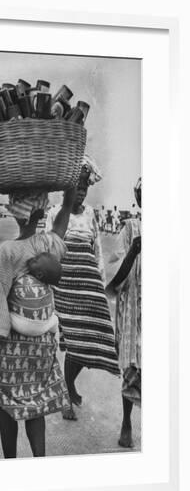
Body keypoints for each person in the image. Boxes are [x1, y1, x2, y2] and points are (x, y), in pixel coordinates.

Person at [0, 187, 77, 459]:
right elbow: (62, 222)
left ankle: (11, 463)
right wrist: (70, 194)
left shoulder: (9, 250)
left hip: (11, 346)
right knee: (37, 405)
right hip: (42, 346)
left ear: (15, 213)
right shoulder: (47, 244)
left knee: (8, 407)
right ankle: (38, 462)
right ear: (42, 212)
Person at [46, 158, 119, 421]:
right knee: (72, 341)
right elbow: (49, 249)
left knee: (87, 342)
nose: (81, 193)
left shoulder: (90, 214)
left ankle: (69, 386)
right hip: (64, 288)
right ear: (67, 189)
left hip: (87, 288)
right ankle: (66, 397)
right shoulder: (55, 213)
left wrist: (99, 281)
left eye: (84, 189)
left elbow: (97, 250)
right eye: (77, 188)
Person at [107, 178, 141, 448]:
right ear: (138, 197)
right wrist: (133, 251)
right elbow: (114, 279)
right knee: (131, 367)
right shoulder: (129, 229)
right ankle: (126, 422)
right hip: (134, 310)